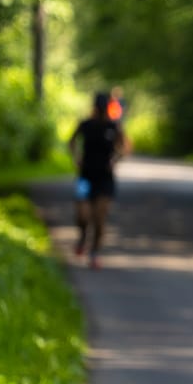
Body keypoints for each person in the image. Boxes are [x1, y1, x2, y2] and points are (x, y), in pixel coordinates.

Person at [68, 91, 126, 268]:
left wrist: (115, 159)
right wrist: (76, 157)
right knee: (82, 216)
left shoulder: (113, 126)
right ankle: (83, 238)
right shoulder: (85, 125)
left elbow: (123, 146)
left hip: (105, 180)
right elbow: (71, 142)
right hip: (85, 177)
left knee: (99, 218)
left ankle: (94, 253)